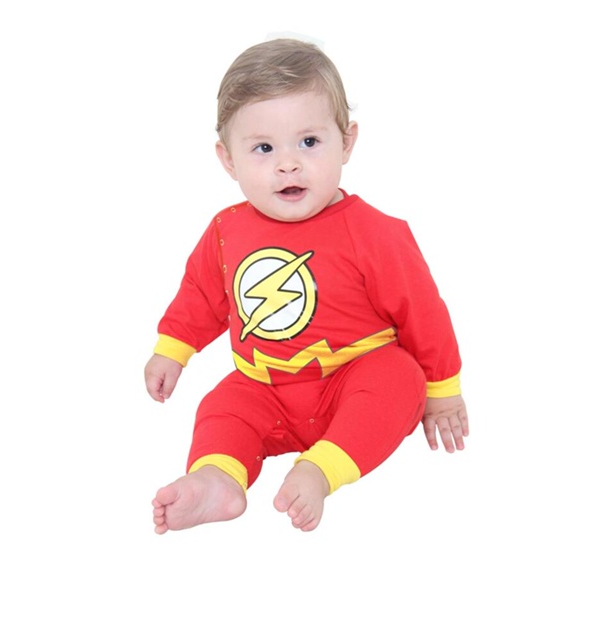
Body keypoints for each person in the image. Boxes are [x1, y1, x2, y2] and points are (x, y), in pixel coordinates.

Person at [145, 38, 469, 534]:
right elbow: (201, 296)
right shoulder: (227, 230)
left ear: (347, 142)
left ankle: (321, 469)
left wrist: (443, 391)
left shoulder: (374, 233)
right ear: (228, 161)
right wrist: (172, 349)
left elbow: (421, 311)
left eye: (309, 142)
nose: (288, 164)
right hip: (265, 387)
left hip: (350, 383)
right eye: (263, 148)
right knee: (222, 406)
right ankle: (218, 478)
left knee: (400, 378)